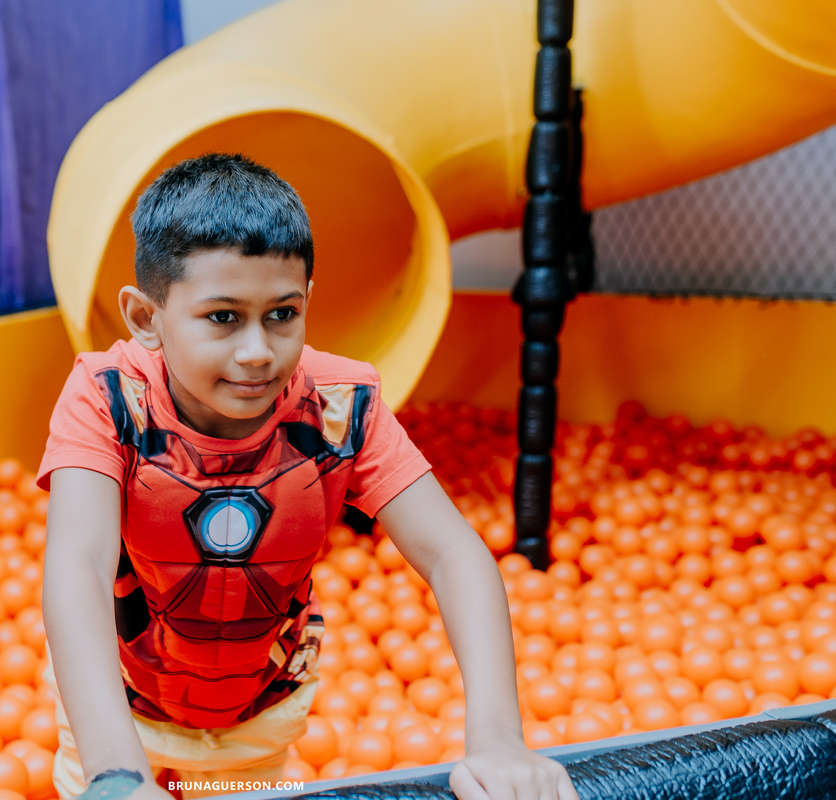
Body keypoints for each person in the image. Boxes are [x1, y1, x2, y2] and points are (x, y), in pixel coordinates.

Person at [37, 154, 577, 800]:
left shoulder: (340, 407)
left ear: (306, 302)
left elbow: (453, 551)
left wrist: (498, 739)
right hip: (114, 708)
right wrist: (116, 776)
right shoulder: (108, 397)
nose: (258, 350)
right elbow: (79, 561)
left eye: (282, 314)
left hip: (260, 710)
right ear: (147, 318)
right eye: (222, 317)